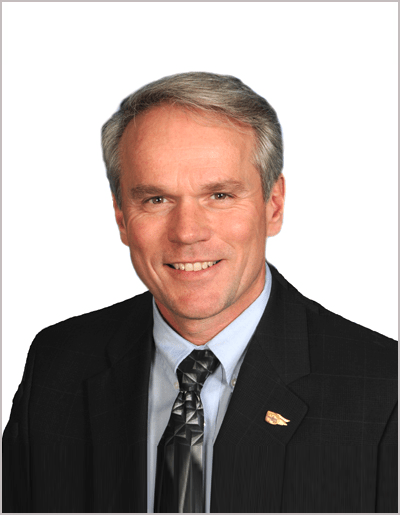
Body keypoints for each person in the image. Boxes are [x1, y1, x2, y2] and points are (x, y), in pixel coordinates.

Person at [3, 72, 397, 513]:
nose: (187, 232)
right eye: (156, 199)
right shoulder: (58, 363)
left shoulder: (384, 389)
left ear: (273, 205)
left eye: (220, 195)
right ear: (121, 217)